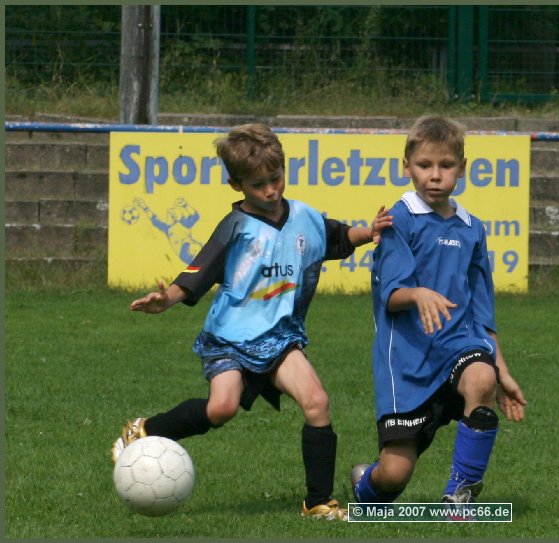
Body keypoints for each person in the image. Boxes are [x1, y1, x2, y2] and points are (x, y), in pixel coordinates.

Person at [110, 123, 392, 521]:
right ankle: (143, 430)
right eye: (258, 184)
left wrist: (371, 231)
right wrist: (167, 299)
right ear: (235, 184)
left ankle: (318, 504)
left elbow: (341, 236)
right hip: (230, 338)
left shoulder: (305, 218)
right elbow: (199, 272)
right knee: (221, 409)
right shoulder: (235, 227)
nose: (271, 190)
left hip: (280, 339)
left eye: (275, 179)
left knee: (317, 402)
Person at [352, 115, 527, 509]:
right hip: (407, 360)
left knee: (481, 379)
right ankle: (365, 488)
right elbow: (391, 296)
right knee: (394, 475)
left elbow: (483, 313)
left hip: (459, 344)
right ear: (407, 167)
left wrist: (502, 368)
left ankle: (459, 492)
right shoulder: (398, 220)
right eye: (424, 166)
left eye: (445, 166)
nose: (435, 176)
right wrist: (418, 294)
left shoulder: (472, 228)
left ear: (462, 169)